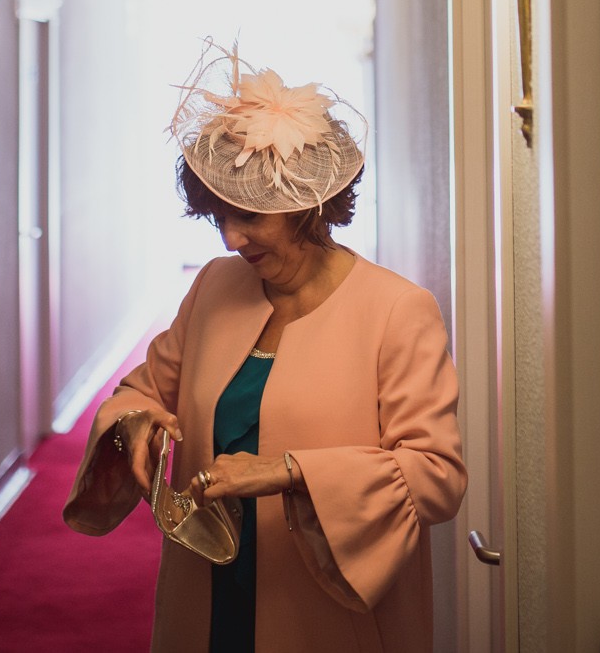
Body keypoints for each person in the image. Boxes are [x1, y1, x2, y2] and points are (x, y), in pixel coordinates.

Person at [64, 46, 465, 653]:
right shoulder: (214, 287)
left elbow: (437, 478)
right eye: (218, 215)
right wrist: (136, 424)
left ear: (309, 205)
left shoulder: (397, 311)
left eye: (250, 216)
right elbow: (142, 390)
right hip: (205, 585)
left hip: (326, 604)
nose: (231, 237)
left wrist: (289, 472)